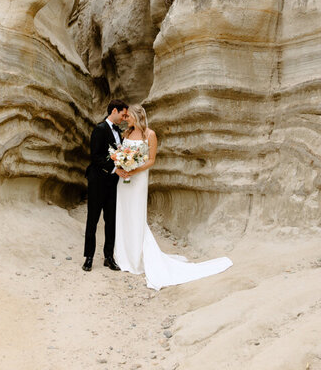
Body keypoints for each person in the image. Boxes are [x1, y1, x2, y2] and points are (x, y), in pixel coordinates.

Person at [114, 104, 233, 290]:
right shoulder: (126, 134)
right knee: (123, 213)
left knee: (136, 214)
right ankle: (122, 255)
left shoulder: (150, 135)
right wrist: (122, 167)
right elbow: (121, 154)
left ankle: (136, 258)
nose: (125, 119)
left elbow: (151, 160)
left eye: (128, 116)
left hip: (139, 179)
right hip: (125, 181)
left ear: (137, 116)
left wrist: (134, 169)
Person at [82, 99, 129, 272]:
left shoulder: (119, 132)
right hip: (97, 180)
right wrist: (114, 169)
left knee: (111, 220)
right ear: (114, 111)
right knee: (92, 219)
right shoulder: (99, 129)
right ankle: (89, 257)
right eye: (123, 114)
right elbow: (95, 156)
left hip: (113, 183)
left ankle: (109, 256)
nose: (124, 118)